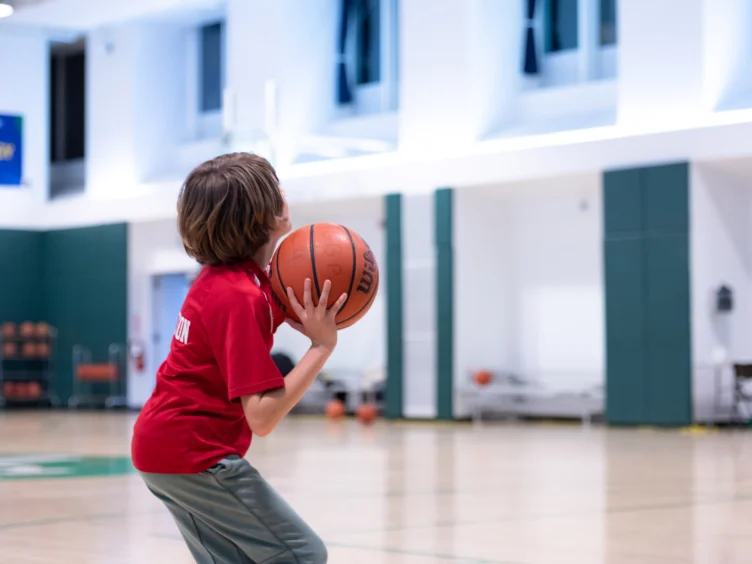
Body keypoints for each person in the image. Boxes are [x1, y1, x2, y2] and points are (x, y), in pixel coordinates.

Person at [131, 153, 345, 564]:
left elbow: (286, 309)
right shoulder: (239, 297)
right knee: (303, 554)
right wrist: (321, 348)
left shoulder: (239, 281)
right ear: (261, 216)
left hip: (163, 449)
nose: (284, 193)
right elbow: (261, 417)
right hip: (193, 452)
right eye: (274, 188)